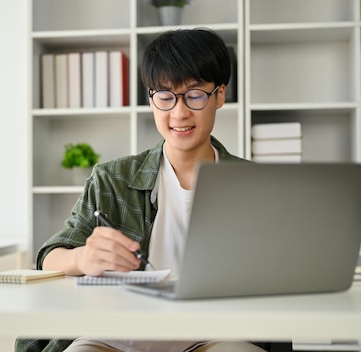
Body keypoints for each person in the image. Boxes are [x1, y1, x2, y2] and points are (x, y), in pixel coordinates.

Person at [15, 28, 269, 352]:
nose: (179, 113)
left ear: (219, 95)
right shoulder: (112, 178)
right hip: (113, 337)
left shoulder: (252, 183)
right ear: (151, 99)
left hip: (211, 334)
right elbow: (48, 259)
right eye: (165, 97)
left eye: (194, 95)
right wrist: (84, 257)